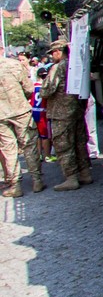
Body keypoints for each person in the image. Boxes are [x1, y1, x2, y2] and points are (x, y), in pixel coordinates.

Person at [41, 40, 90, 191]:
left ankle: (71, 178)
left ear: (58, 51)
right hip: (77, 110)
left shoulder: (58, 67)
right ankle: (85, 173)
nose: (52, 56)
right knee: (79, 142)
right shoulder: (77, 64)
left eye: (53, 53)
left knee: (64, 145)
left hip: (61, 112)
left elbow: (47, 90)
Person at [0, 46, 42, 197]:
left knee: (8, 149)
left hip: (1, 116)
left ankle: (15, 185)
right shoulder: (14, 64)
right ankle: (37, 180)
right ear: (2, 49)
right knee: (29, 144)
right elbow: (29, 88)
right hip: (20, 111)